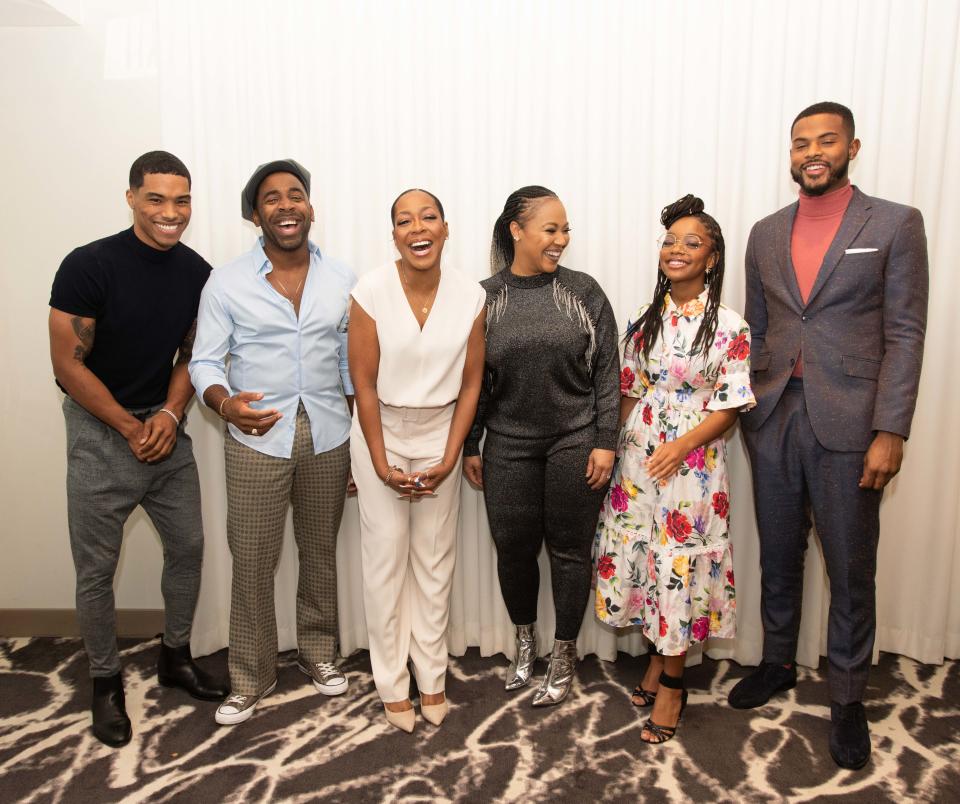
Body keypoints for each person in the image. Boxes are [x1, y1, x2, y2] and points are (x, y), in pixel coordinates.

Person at [729, 102, 928, 770]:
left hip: (851, 423)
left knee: (850, 566)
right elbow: (754, 330)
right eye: (800, 143)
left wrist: (890, 428)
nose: (812, 151)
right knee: (778, 553)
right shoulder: (764, 232)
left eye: (826, 141)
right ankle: (778, 661)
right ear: (790, 155)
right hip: (774, 416)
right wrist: (749, 407)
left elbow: (905, 332)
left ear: (851, 147)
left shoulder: (896, 224)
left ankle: (846, 699)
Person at [48, 151, 227, 747]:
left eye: (181, 200)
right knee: (96, 571)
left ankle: (174, 657)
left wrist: (173, 415)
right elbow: (67, 365)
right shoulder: (88, 265)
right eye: (156, 199)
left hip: (165, 429)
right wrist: (130, 427)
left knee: (189, 548)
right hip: (102, 435)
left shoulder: (197, 273)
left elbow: (190, 356)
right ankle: (104, 682)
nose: (170, 212)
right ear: (131, 198)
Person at [189, 159, 355, 726]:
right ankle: (250, 677)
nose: (286, 205)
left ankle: (319, 655)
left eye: (296, 195)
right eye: (272, 198)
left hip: (330, 433)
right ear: (253, 213)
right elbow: (205, 360)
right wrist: (224, 403)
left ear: (310, 206)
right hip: (256, 434)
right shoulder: (227, 281)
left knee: (319, 553)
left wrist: (359, 437)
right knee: (254, 561)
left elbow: (349, 363)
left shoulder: (342, 278)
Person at [594, 195, 755, 744]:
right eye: (669, 241)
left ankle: (674, 685)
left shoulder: (730, 325)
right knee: (643, 552)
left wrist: (682, 446)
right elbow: (628, 389)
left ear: (712, 258)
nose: (676, 250)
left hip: (692, 465)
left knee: (678, 562)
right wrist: (612, 447)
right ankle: (659, 662)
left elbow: (731, 405)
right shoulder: (646, 319)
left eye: (692, 243)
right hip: (640, 458)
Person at [463, 185, 620, 707]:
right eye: (551, 229)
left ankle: (564, 652)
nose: (561, 239)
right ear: (517, 231)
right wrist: (470, 445)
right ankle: (524, 643)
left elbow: (606, 373)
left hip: (575, 441)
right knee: (513, 549)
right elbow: (474, 381)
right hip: (507, 444)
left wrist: (605, 441)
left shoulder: (583, 292)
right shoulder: (486, 297)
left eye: (565, 229)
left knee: (570, 552)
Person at [349, 189, 485, 732]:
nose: (417, 227)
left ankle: (432, 678)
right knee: (385, 563)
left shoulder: (470, 295)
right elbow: (361, 382)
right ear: (394, 235)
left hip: (441, 431)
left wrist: (451, 456)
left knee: (433, 563)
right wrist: (381, 463)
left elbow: (473, 382)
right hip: (380, 427)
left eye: (427, 216)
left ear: (445, 228)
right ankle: (390, 684)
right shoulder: (370, 291)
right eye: (404, 220)